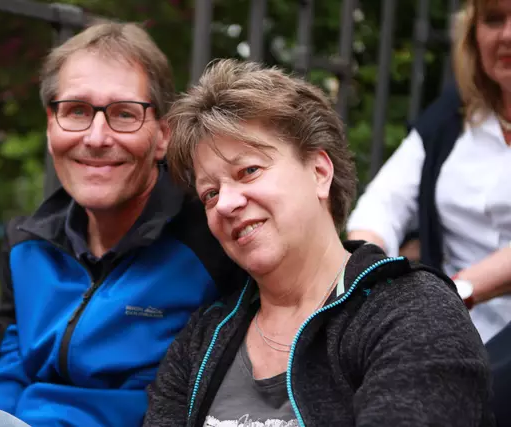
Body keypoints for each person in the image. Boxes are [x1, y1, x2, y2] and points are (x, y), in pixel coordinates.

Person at [0, 22, 244, 427]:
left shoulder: (209, 242)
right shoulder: (29, 245)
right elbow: (2, 382)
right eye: (76, 111)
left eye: (124, 114)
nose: (96, 137)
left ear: (162, 136)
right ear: (51, 127)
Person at [143, 59, 494, 426]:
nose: (226, 204)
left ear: (320, 172)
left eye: (248, 171)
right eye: (210, 193)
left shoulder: (413, 312)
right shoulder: (203, 337)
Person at [346, 0, 511, 345]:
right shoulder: (453, 115)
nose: (507, 35)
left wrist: (454, 291)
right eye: (494, 20)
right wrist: (367, 268)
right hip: (445, 324)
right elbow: (385, 202)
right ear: (472, 35)